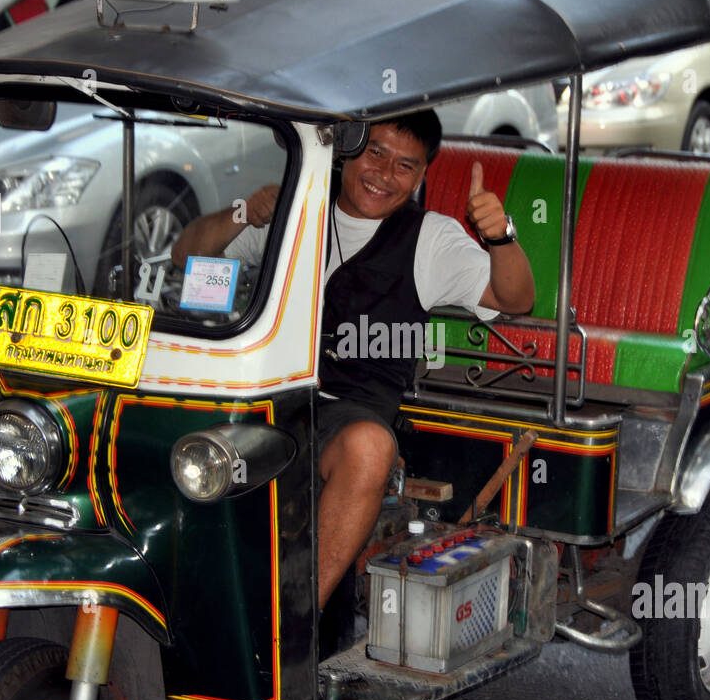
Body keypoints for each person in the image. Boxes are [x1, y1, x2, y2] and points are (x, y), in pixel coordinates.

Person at [171, 112, 535, 610]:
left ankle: (296, 624)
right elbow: (184, 256)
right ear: (346, 149)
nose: (385, 174)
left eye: (405, 166)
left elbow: (515, 299)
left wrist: (500, 236)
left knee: (369, 448)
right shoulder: (297, 210)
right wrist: (243, 214)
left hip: (345, 413)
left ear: (422, 175)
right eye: (376, 152)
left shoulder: (430, 238)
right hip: (258, 397)